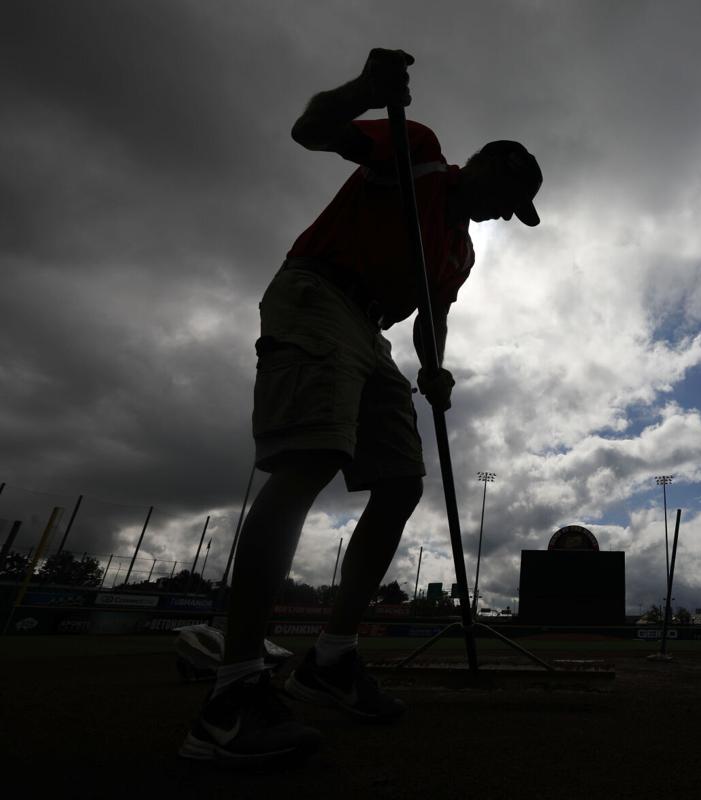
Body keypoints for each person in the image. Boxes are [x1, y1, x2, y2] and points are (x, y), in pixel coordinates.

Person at [179, 48, 542, 764]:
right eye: (510, 196)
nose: (505, 213)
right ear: (488, 165)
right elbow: (312, 129)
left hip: (372, 331)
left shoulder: (461, 252)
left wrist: (435, 369)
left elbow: (432, 318)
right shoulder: (420, 154)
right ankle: (233, 692)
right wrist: (365, 91)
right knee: (311, 457)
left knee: (402, 481)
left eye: (516, 210)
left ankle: (332, 659)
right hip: (318, 293)